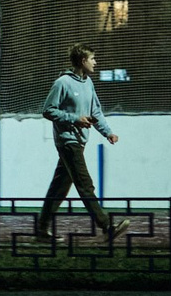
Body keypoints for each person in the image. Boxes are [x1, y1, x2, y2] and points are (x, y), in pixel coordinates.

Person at [35, 44, 119, 240]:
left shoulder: (88, 83)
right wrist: (74, 118)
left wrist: (108, 132)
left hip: (79, 141)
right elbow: (48, 110)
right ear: (83, 61)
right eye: (92, 59)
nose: (95, 62)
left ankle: (41, 230)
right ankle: (107, 226)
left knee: (59, 188)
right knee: (85, 184)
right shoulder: (62, 83)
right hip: (67, 141)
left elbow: (95, 111)